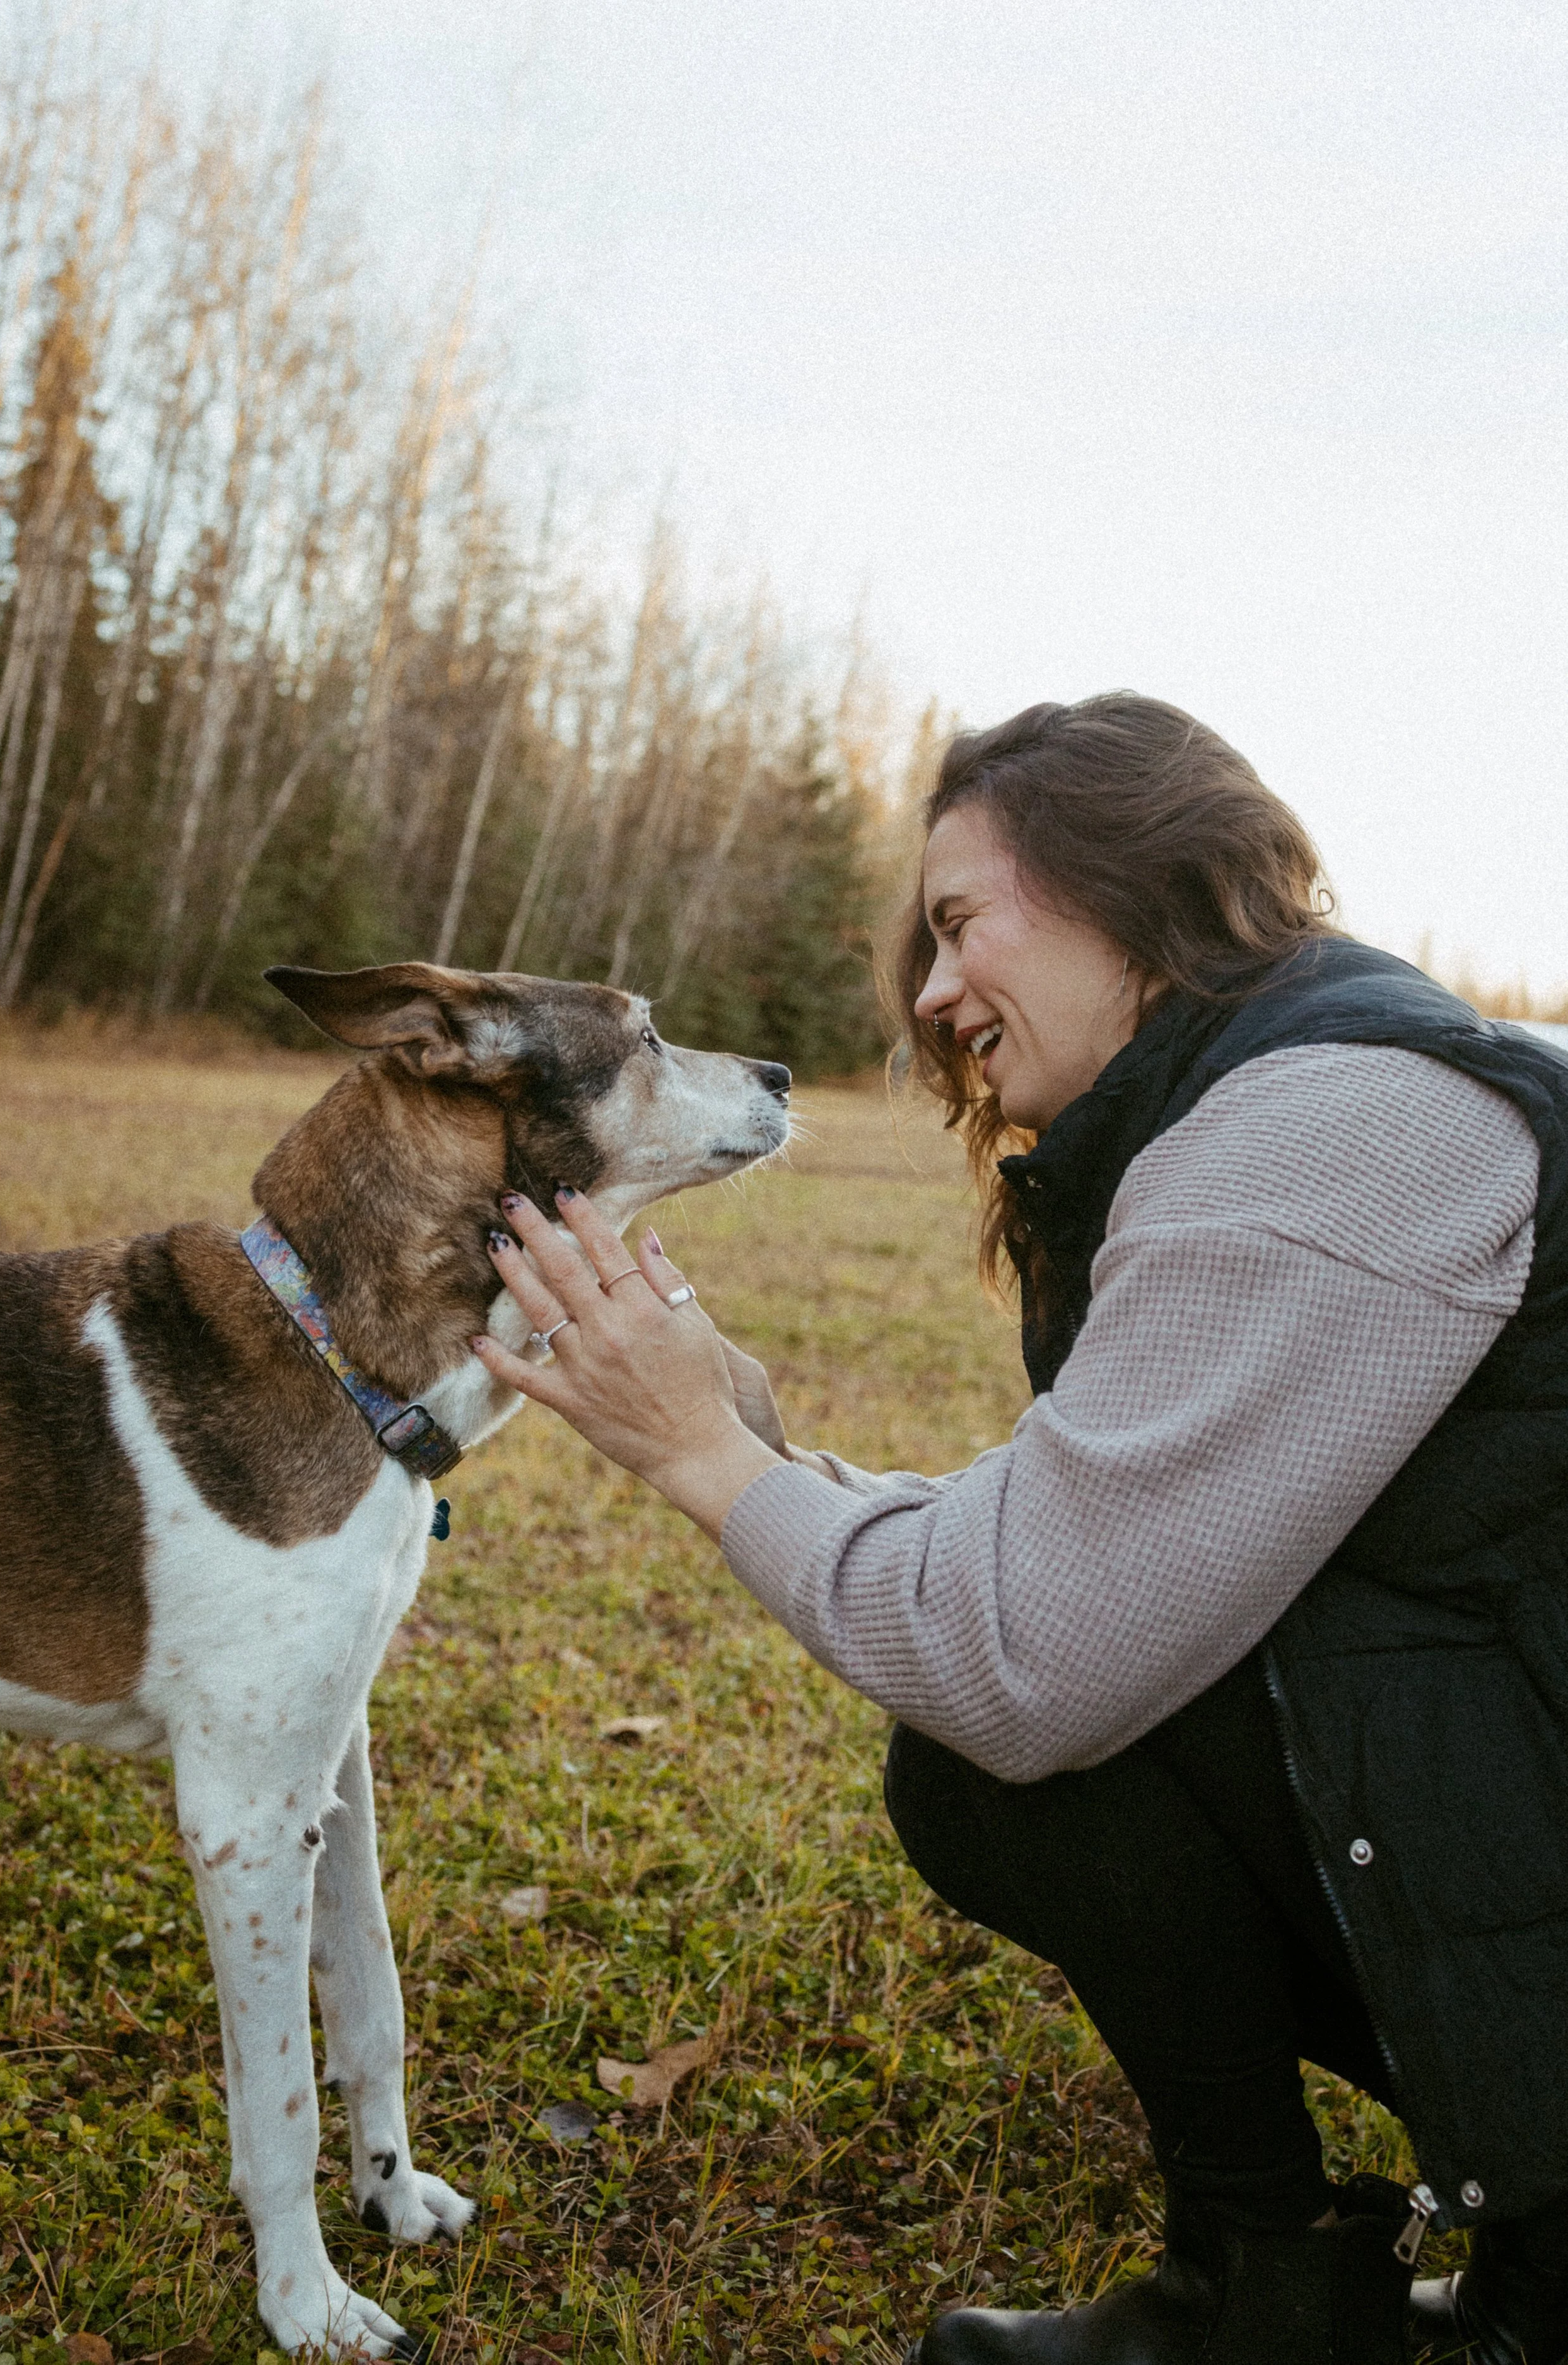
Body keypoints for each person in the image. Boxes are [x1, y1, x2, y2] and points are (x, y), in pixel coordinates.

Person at [472, 694, 1568, 2365]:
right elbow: (1093, 1548)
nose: (926, 990)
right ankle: (1264, 2280)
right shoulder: (1273, 1093)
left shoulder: (1330, 1124)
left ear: (1134, 882)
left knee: (1003, 1753)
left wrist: (705, 1460)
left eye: (960, 920)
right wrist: (775, 1450)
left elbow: (1026, 1658)